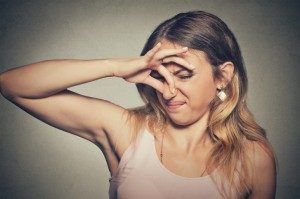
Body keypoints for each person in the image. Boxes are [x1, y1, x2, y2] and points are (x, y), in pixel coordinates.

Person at [0, 10, 276, 199]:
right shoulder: (127, 130)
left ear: (222, 76)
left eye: (183, 75)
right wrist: (115, 66)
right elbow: (12, 85)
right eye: (159, 75)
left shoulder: (253, 157)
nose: (168, 91)